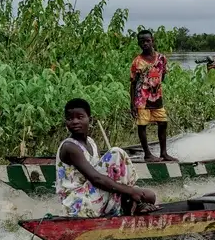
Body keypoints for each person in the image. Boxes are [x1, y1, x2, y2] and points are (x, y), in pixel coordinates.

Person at [56, 98, 158, 217]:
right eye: (70, 119)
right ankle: (129, 203)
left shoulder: (91, 142)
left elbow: (105, 174)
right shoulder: (70, 147)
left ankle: (129, 201)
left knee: (150, 195)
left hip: (92, 193)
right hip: (77, 203)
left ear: (90, 119)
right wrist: (131, 191)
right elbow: (96, 178)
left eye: (80, 117)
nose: (74, 122)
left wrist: (132, 192)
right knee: (116, 152)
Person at [130, 29, 176, 162]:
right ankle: (147, 154)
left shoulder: (161, 58)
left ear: (152, 41)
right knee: (142, 125)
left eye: (147, 41)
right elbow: (133, 84)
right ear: (139, 43)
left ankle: (163, 153)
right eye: (142, 41)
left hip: (157, 98)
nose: (145, 44)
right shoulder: (137, 62)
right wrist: (132, 103)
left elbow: (163, 76)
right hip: (142, 99)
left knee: (163, 123)